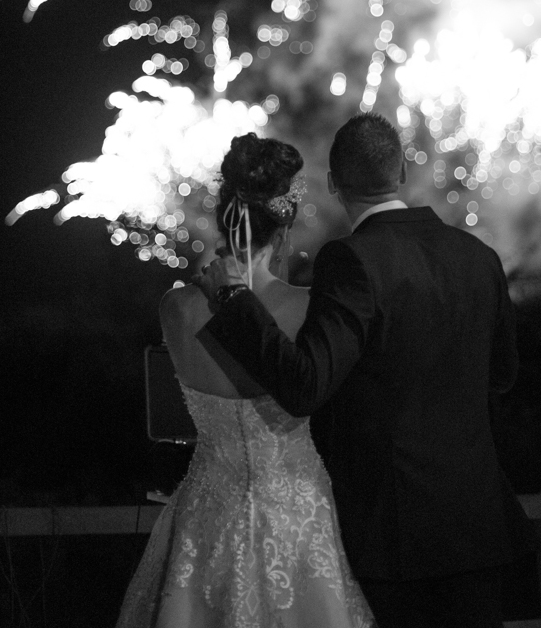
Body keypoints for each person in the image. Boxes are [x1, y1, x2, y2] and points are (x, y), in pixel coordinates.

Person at [198, 113, 534, 628]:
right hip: (478, 523)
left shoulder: (352, 260)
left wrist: (233, 298)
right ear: (400, 173)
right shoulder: (478, 255)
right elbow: (503, 376)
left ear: (333, 184)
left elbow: (306, 384)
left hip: (394, 532)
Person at [115, 132, 376, 628]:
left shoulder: (174, 309)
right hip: (297, 512)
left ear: (223, 219)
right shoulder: (308, 308)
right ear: (284, 230)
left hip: (205, 513)